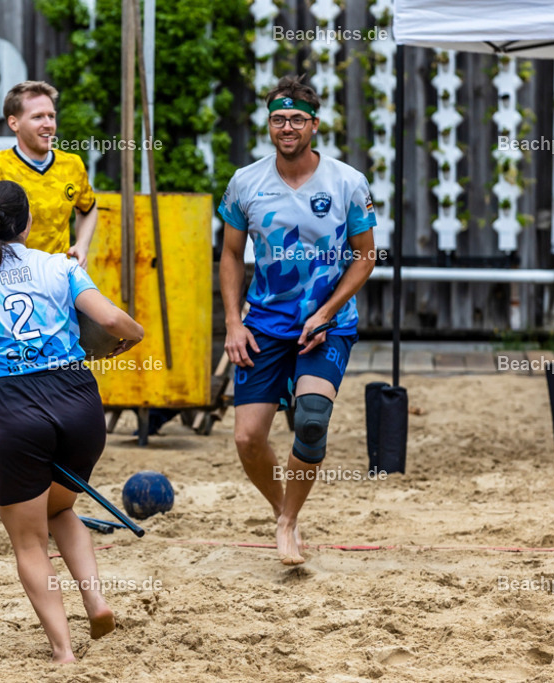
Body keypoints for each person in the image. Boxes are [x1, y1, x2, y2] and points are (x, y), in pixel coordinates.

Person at [0, 180, 143, 663]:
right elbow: (114, 322)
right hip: (77, 400)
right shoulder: (60, 266)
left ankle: (63, 651)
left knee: (30, 541)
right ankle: (95, 599)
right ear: (28, 222)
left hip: (12, 405)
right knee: (59, 509)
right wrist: (134, 336)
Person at [217, 75, 377, 564]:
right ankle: (282, 508)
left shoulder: (348, 182)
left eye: (297, 119)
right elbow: (229, 253)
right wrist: (232, 323)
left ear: (315, 125)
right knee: (247, 438)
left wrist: (327, 312)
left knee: (309, 423)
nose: (288, 127)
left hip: (327, 326)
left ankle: (287, 524)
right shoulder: (246, 181)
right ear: (270, 123)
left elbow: (365, 256)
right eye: (279, 119)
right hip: (263, 324)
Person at [0, 80, 98, 542]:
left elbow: (90, 208)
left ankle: (51, 508)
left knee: (58, 398)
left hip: (55, 298)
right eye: (37, 116)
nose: (48, 123)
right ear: (14, 122)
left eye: (51, 115)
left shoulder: (71, 164)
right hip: (1, 303)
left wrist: (82, 245)